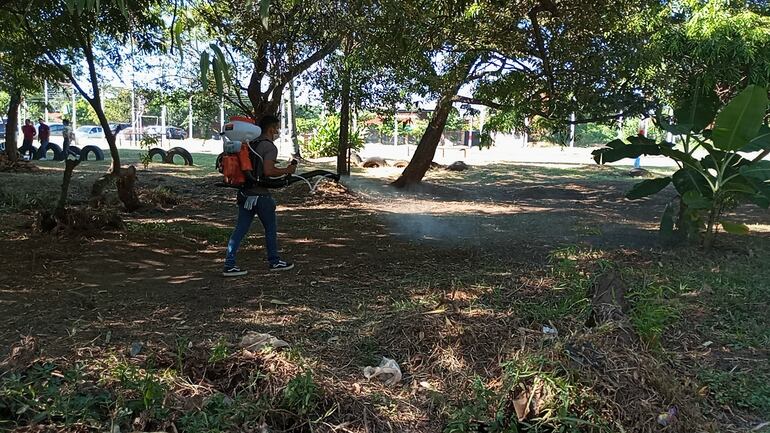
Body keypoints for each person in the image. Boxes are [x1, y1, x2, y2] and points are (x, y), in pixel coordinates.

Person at [223, 114, 296, 277]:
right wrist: (287, 170)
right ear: (271, 129)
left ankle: (229, 264)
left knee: (240, 230)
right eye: (277, 129)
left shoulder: (250, 144)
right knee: (270, 229)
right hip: (261, 197)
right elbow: (268, 171)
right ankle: (274, 261)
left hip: (245, 193)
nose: (278, 132)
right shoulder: (269, 147)